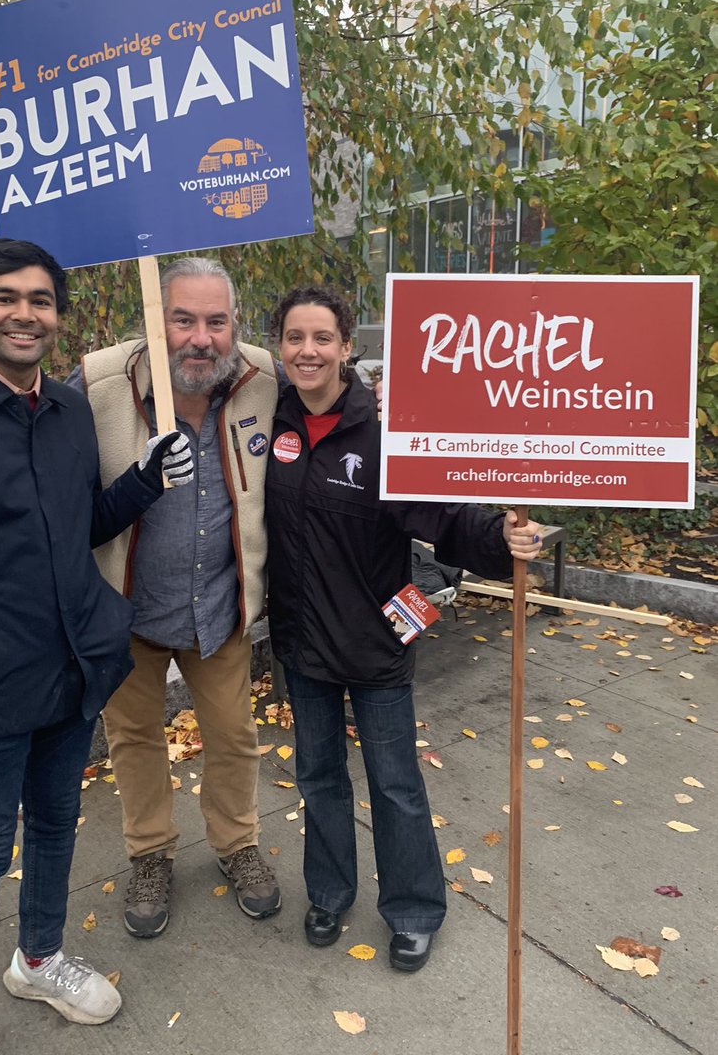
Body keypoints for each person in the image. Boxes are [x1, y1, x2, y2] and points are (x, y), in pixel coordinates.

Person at [0, 239, 194, 1055]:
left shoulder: (66, 411)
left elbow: (79, 527)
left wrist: (144, 480)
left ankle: (40, 957)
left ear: (58, 315)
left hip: (71, 672)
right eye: (6, 298)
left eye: (41, 300)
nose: (25, 313)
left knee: (56, 825)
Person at [265, 286, 542, 973]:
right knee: (320, 777)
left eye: (321, 337)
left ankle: (414, 908)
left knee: (394, 783)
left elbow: (444, 518)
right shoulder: (268, 424)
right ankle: (329, 893)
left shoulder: (386, 432)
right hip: (302, 645)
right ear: (279, 346)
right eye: (295, 337)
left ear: (346, 346)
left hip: (376, 643)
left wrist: (501, 536)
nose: (308, 350)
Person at [70, 256, 282, 938]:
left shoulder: (262, 380)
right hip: (127, 611)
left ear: (234, 326)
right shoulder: (100, 384)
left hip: (217, 608)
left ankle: (236, 842)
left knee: (234, 736)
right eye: (183, 319)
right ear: (156, 322)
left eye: (216, 321)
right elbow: (61, 492)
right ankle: (150, 854)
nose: (200, 337)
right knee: (134, 740)